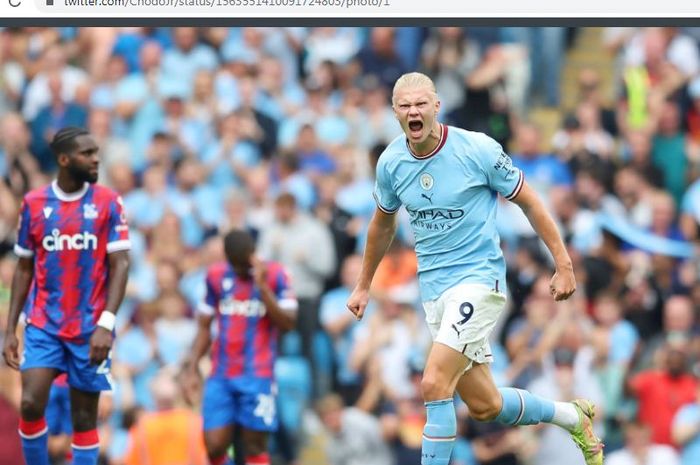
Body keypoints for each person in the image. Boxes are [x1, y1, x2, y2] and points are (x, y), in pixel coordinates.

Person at [346, 72, 604, 465]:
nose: (413, 111)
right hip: (434, 292)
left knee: (433, 382)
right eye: (405, 105)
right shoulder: (391, 163)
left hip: (478, 282)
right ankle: (572, 416)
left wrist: (563, 264)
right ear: (395, 112)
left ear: (436, 106)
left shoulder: (477, 149)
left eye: (421, 104)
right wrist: (364, 284)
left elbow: (530, 201)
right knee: (486, 405)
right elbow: (383, 223)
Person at [2, 126, 131, 465]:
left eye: (96, 152)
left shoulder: (108, 202)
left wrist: (106, 322)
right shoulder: (33, 203)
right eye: (87, 153)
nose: (96, 158)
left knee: (84, 419)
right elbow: (24, 268)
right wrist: (9, 331)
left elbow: (120, 265)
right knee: (30, 403)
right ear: (63, 159)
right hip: (44, 322)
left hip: (90, 327)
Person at [182, 229, 298, 465]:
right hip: (221, 374)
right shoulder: (215, 276)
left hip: (258, 375)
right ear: (226, 258)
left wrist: (263, 288)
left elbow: (288, 323)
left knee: (254, 446)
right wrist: (192, 367)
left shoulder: (276, 274)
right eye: (235, 265)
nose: (240, 271)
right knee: (214, 446)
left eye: (243, 264)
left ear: (253, 254)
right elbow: (204, 326)